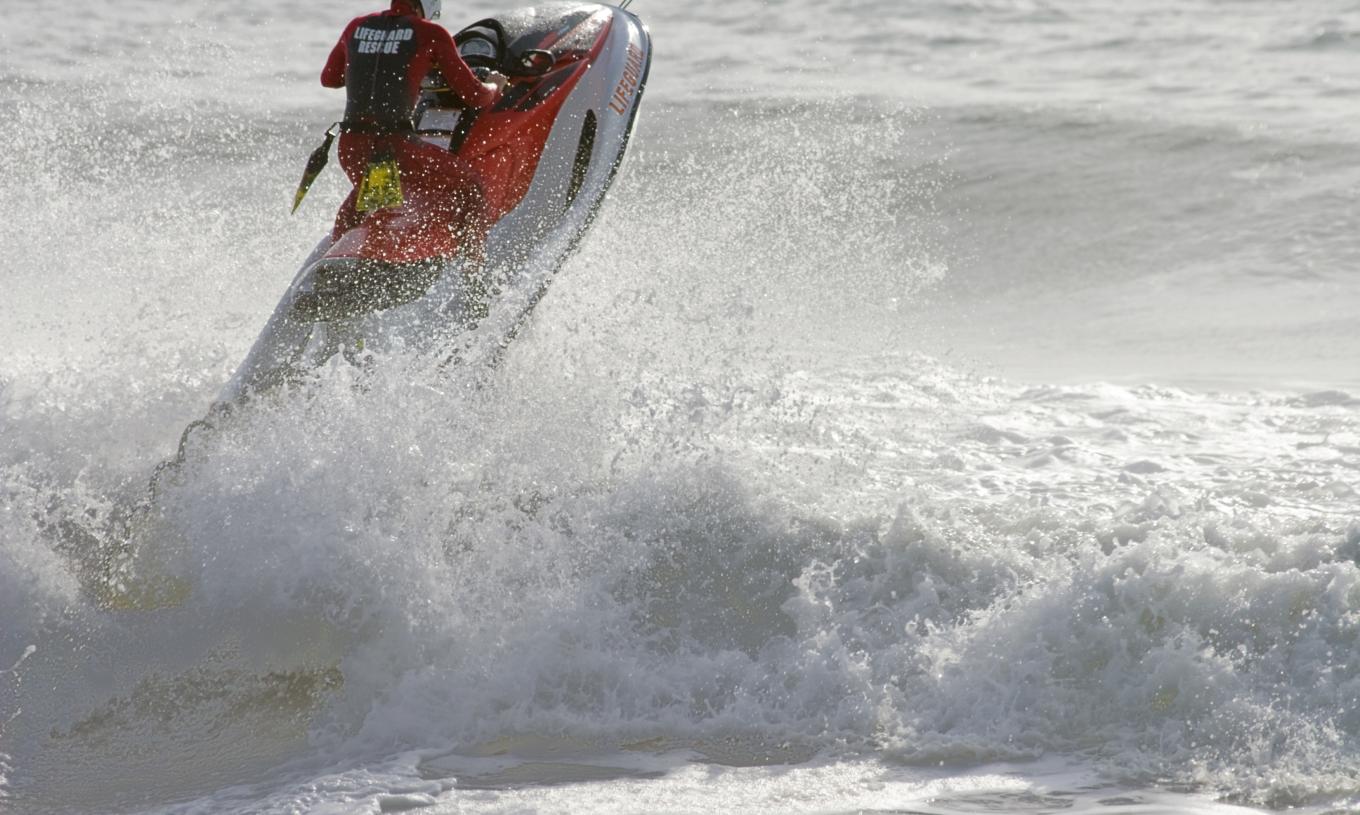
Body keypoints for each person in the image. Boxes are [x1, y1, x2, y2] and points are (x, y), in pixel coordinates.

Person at [320, 0, 505, 263]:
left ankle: (332, 262)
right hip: (397, 150)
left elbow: (330, 79)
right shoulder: (430, 33)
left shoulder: (356, 26)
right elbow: (475, 96)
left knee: (368, 199)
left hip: (352, 148)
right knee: (470, 187)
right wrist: (494, 86)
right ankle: (472, 278)